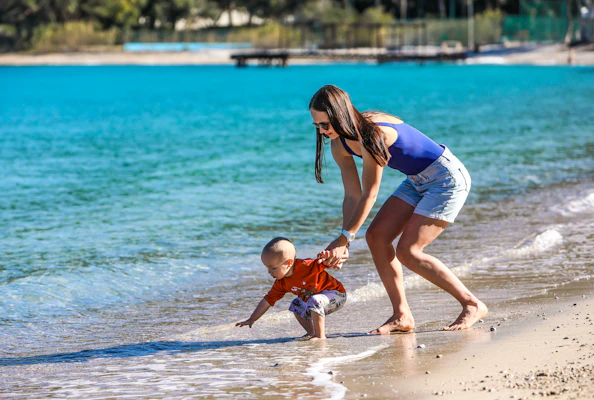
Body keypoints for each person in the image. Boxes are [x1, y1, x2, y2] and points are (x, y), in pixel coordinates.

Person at [309, 84, 488, 334]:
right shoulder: (340, 145)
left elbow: (370, 193)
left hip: (446, 178)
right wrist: (344, 240)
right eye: (316, 126)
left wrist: (345, 237)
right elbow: (352, 195)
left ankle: (472, 304)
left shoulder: (372, 134)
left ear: (340, 115)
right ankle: (402, 315)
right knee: (376, 237)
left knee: (409, 251)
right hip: (416, 179)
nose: (322, 131)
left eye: (325, 124)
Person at [236, 237, 348, 340]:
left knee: (315, 300)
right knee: (296, 304)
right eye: (268, 268)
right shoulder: (281, 283)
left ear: (289, 262)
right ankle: (311, 332)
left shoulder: (307, 266)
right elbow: (267, 301)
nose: (269, 272)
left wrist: (328, 255)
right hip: (318, 301)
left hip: (337, 295)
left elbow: (328, 262)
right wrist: (252, 319)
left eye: (273, 268)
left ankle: (320, 336)